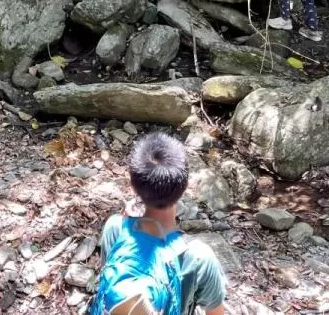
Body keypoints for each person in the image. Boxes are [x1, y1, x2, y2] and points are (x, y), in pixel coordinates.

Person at [92, 133, 228, 315]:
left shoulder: (115, 228)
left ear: (133, 186)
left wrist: (130, 223)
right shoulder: (198, 257)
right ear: (185, 186)